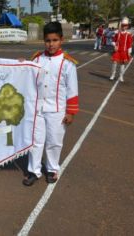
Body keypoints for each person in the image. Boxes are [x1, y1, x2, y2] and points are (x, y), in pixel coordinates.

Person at [22, 22, 79, 186]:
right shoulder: (37, 58)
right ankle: (34, 170)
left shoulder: (68, 63)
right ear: (43, 41)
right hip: (37, 109)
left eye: (55, 40)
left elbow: (72, 90)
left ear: (61, 39)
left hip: (57, 110)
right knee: (36, 140)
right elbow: (27, 76)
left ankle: (52, 169)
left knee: (54, 141)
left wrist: (70, 112)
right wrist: (22, 65)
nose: (51, 44)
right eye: (47, 40)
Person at [109, 17, 133, 82]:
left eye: (125, 26)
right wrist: (114, 45)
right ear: (121, 25)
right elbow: (113, 40)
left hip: (124, 51)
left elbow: (129, 44)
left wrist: (129, 52)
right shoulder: (117, 33)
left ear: (127, 26)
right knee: (114, 62)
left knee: (122, 64)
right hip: (117, 50)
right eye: (123, 25)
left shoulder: (128, 34)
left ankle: (121, 76)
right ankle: (113, 75)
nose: (124, 27)